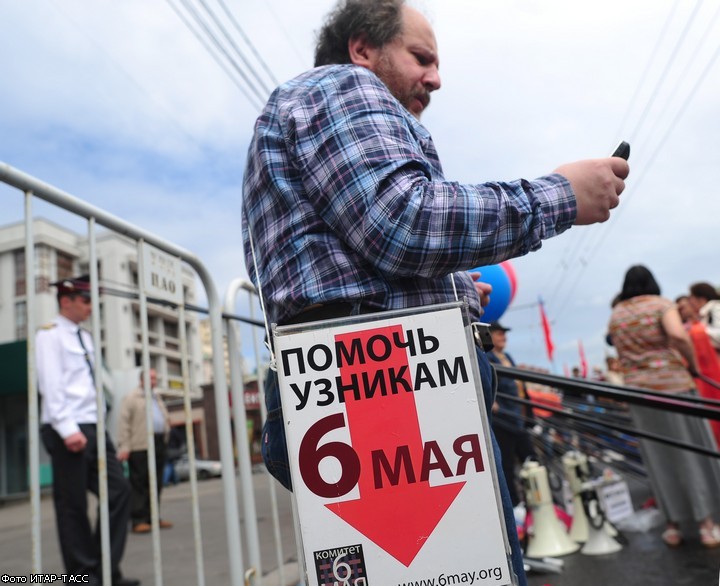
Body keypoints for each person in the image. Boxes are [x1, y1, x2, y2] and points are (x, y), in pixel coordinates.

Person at [242, 1, 628, 581]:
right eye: (421, 57)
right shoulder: (344, 85)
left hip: (368, 382)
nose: (436, 78)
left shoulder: (310, 108)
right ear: (363, 49)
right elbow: (403, 222)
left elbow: (371, 239)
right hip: (382, 389)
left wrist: (454, 295)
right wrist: (560, 196)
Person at [36, 276, 139, 586]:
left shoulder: (85, 337)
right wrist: (67, 429)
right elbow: (51, 385)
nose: (90, 307)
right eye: (84, 300)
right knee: (73, 506)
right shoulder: (49, 336)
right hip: (67, 427)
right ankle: (83, 576)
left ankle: (104, 570)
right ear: (65, 301)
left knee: (119, 491)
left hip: (93, 426)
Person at [608, 265, 720, 547]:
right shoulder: (661, 304)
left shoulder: (617, 313)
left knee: (657, 457)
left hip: (638, 393)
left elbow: (620, 351)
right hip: (674, 388)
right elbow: (679, 336)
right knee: (691, 452)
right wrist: (692, 365)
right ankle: (707, 525)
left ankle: (673, 526)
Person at [117, 368, 173, 534]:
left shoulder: (156, 396)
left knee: (156, 483)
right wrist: (124, 446)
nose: (154, 380)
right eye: (151, 378)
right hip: (140, 445)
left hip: (158, 443)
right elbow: (124, 423)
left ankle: (153, 517)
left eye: (155, 377)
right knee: (140, 483)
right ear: (142, 380)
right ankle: (138, 519)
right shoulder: (131, 398)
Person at [487, 322, 537, 507]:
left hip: (518, 417)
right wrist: (491, 399)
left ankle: (537, 500)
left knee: (532, 460)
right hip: (503, 420)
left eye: (504, 333)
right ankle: (516, 507)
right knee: (507, 466)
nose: (504, 337)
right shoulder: (487, 357)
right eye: (499, 334)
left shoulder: (507, 356)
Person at [688, 282, 720, 356]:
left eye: (691, 298)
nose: (689, 302)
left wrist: (696, 333)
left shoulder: (716, 309)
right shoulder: (704, 314)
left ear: (702, 299)